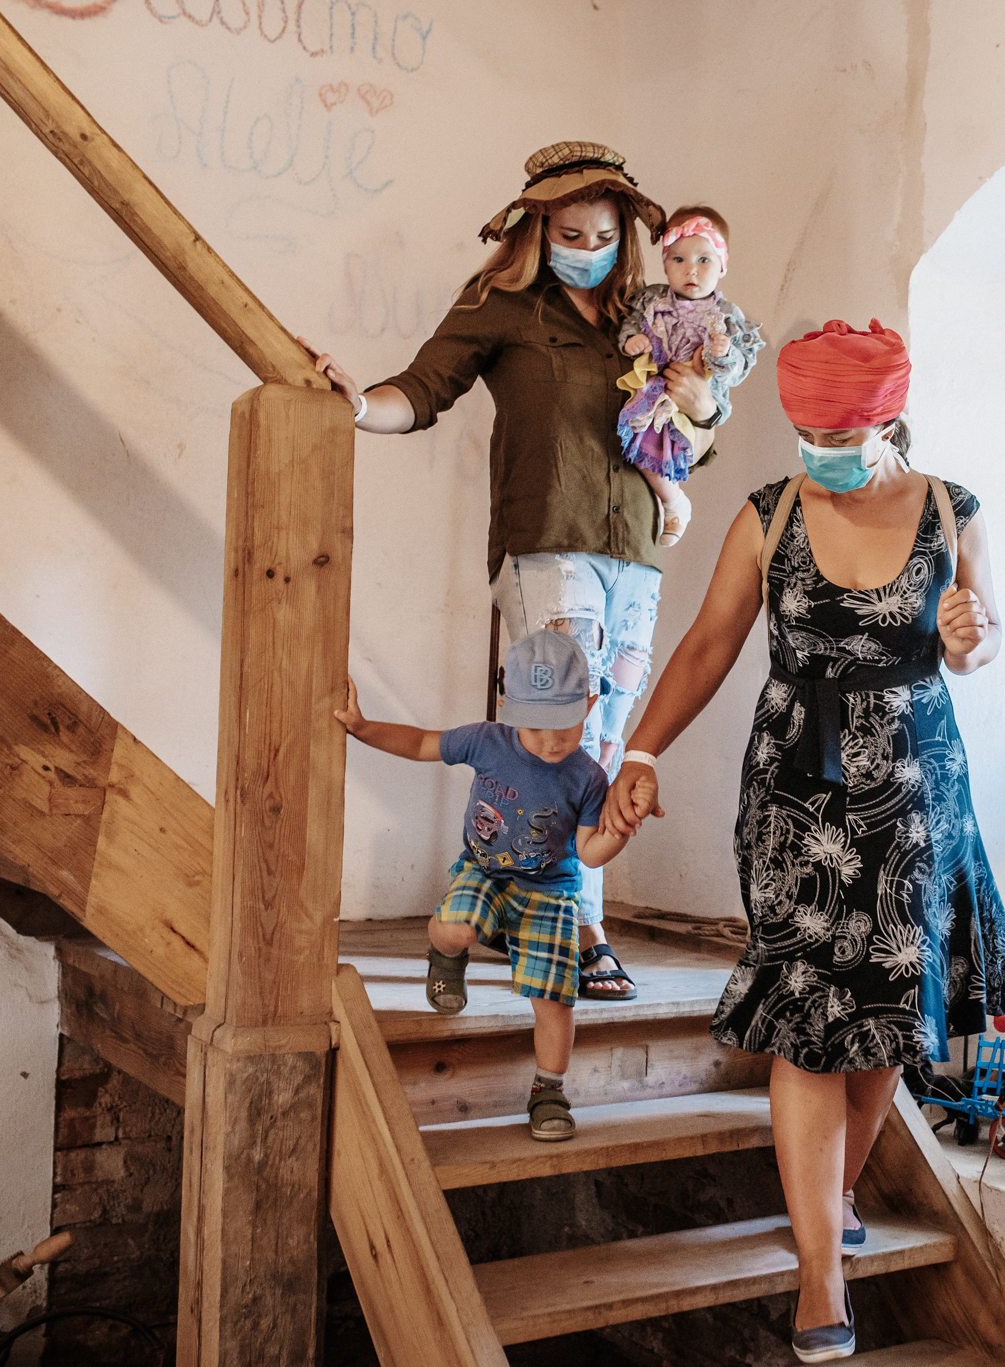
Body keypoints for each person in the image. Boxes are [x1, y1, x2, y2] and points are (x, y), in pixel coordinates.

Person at [603, 319, 1005, 1361]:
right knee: (804, 1020)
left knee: (889, 1018)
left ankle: (830, 1196)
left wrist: (973, 639)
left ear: (888, 418)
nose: (822, 451)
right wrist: (641, 751)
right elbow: (708, 645)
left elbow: (979, 637)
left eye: (841, 434)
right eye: (809, 432)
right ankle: (819, 1269)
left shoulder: (951, 510)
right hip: (794, 792)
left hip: (916, 794)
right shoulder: (770, 513)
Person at [303, 141, 715, 1002]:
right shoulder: (501, 305)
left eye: (606, 234)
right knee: (566, 726)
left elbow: (687, 442)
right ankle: (582, 928)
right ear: (537, 228)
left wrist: (702, 407)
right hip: (545, 543)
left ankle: (532, 902)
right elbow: (422, 388)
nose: (590, 248)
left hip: (636, 553)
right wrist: (358, 403)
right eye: (571, 233)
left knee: (603, 743)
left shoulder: (646, 319)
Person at [334, 630, 645, 1142]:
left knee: (555, 999)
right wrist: (363, 728)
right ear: (508, 709)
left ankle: (549, 1090)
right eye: (535, 726)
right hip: (484, 871)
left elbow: (589, 853)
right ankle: (445, 955)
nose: (550, 741)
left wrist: (621, 830)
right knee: (456, 929)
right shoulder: (486, 741)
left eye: (564, 725)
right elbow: (421, 743)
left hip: (550, 892)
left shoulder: (588, 777)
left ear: (590, 706)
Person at [614, 205, 763, 545]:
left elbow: (737, 370)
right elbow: (631, 324)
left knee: (662, 444)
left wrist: (723, 354)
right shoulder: (652, 299)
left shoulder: (725, 315)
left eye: (704, 260)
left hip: (698, 396)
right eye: (678, 259)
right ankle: (671, 501)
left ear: (722, 265)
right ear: (665, 263)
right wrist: (632, 340)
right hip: (654, 385)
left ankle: (674, 503)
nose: (690, 270)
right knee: (636, 438)